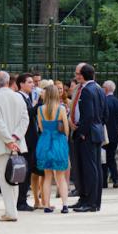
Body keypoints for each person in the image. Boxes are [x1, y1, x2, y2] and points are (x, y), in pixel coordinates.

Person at [0, 70, 29, 222]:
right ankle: (12, 210)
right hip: (17, 143)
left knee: (6, 180)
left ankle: (11, 212)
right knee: (14, 178)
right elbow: (25, 119)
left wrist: (8, 140)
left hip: (2, 144)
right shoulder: (18, 97)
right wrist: (15, 137)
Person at [70, 63, 107, 212]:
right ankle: (87, 199)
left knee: (89, 169)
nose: (76, 76)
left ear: (84, 75)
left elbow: (89, 114)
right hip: (96, 132)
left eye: (78, 74)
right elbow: (105, 114)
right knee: (93, 167)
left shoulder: (87, 91)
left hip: (87, 133)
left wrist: (83, 132)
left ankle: (90, 202)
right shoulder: (99, 89)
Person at [36, 83, 71, 214]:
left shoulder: (40, 109)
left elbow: (40, 127)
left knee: (47, 176)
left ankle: (46, 205)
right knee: (61, 177)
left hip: (45, 142)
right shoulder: (61, 109)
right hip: (58, 142)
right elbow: (66, 129)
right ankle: (65, 205)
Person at [16, 73, 41, 211]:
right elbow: (28, 114)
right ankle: (21, 202)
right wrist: (41, 103)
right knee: (24, 172)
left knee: (29, 170)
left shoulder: (27, 97)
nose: (33, 84)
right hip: (25, 140)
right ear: (21, 84)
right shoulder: (20, 97)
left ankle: (23, 199)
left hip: (30, 140)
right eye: (30, 82)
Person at [102, 80, 118, 189]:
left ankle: (104, 181)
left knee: (103, 158)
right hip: (115, 134)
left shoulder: (104, 101)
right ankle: (115, 179)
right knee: (111, 157)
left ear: (106, 89)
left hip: (105, 133)